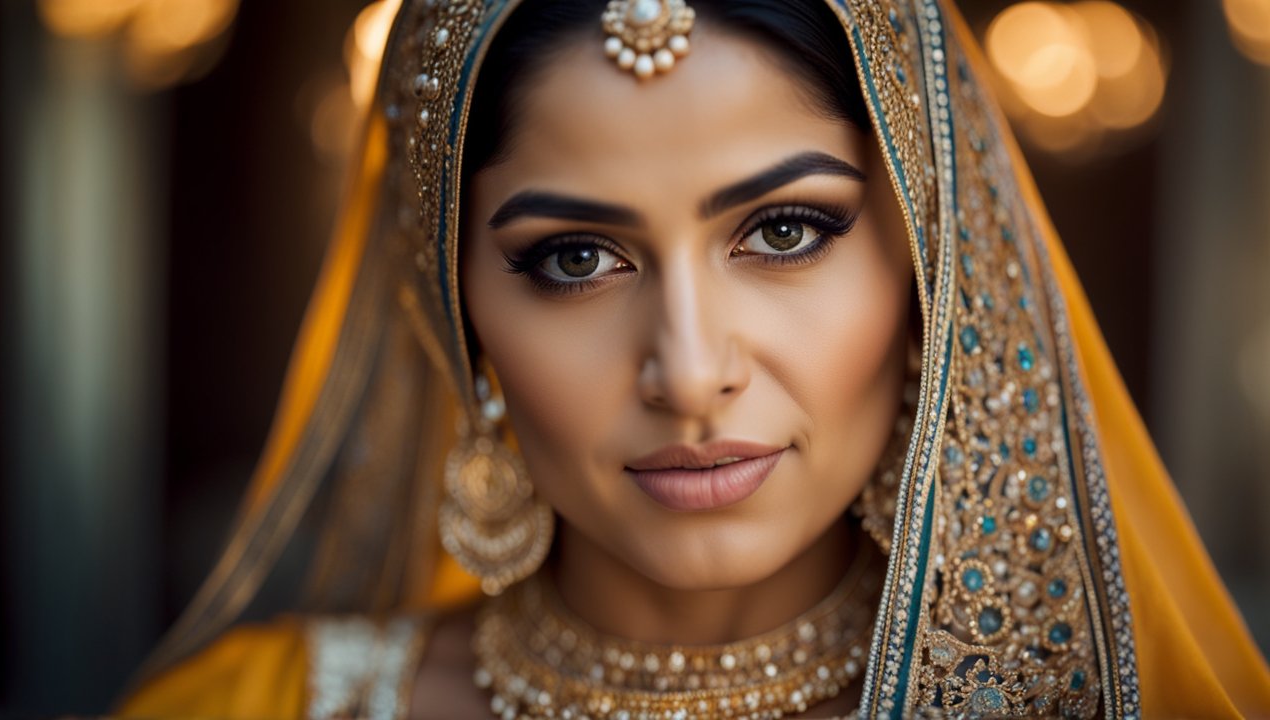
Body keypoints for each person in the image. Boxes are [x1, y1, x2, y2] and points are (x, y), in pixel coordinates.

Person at [118, 0, 1270, 717]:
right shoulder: (248, 708)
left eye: (782, 232)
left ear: (933, 267)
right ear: (450, 312)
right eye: (574, 258)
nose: (688, 366)